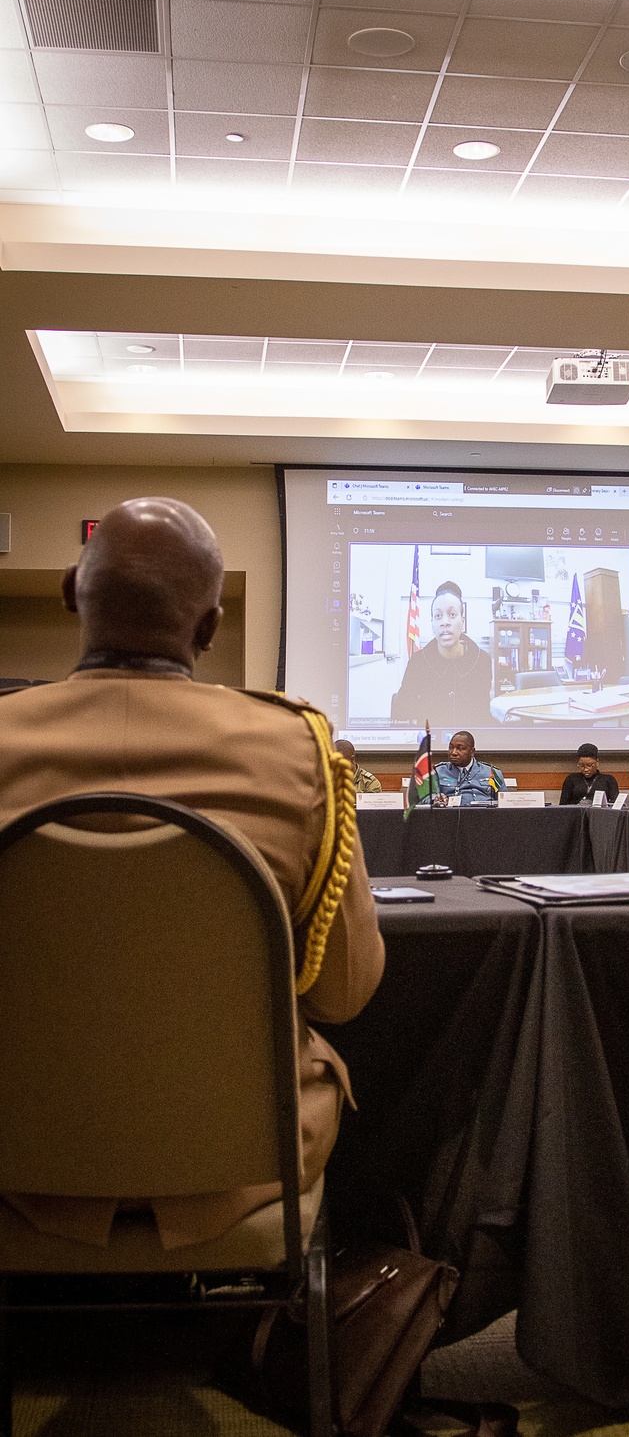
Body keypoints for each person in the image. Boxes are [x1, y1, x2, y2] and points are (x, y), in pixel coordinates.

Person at [0, 498, 385, 1250]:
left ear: (72, 592)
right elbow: (343, 992)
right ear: (209, 627)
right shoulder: (298, 751)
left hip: (16, 1156)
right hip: (242, 1166)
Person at [392, 580, 492, 729]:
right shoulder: (417, 662)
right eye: (438, 616)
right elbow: (403, 714)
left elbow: (482, 716)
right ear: (432, 623)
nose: (445, 622)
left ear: (462, 621)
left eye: (452, 614)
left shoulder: (482, 661)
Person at [434, 730, 505, 805]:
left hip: (485, 815)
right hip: (451, 815)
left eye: (460, 748)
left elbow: (505, 802)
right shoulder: (438, 772)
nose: (453, 752)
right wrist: (436, 799)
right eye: (451, 747)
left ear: (472, 752)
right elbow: (426, 799)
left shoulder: (492, 772)